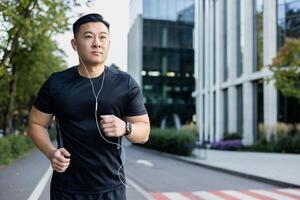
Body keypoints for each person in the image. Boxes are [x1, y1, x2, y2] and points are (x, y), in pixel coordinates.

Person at [27, 13, 150, 200]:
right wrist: (51, 153)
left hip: (111, 189)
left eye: (102, 37)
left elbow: (144, 131)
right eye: (88, 36)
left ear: (108, 43)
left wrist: (125, 127)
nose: (97, 43)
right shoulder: (56, 83)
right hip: (66, 190)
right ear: (74, 44)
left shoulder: (125, 83)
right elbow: (36, 124)